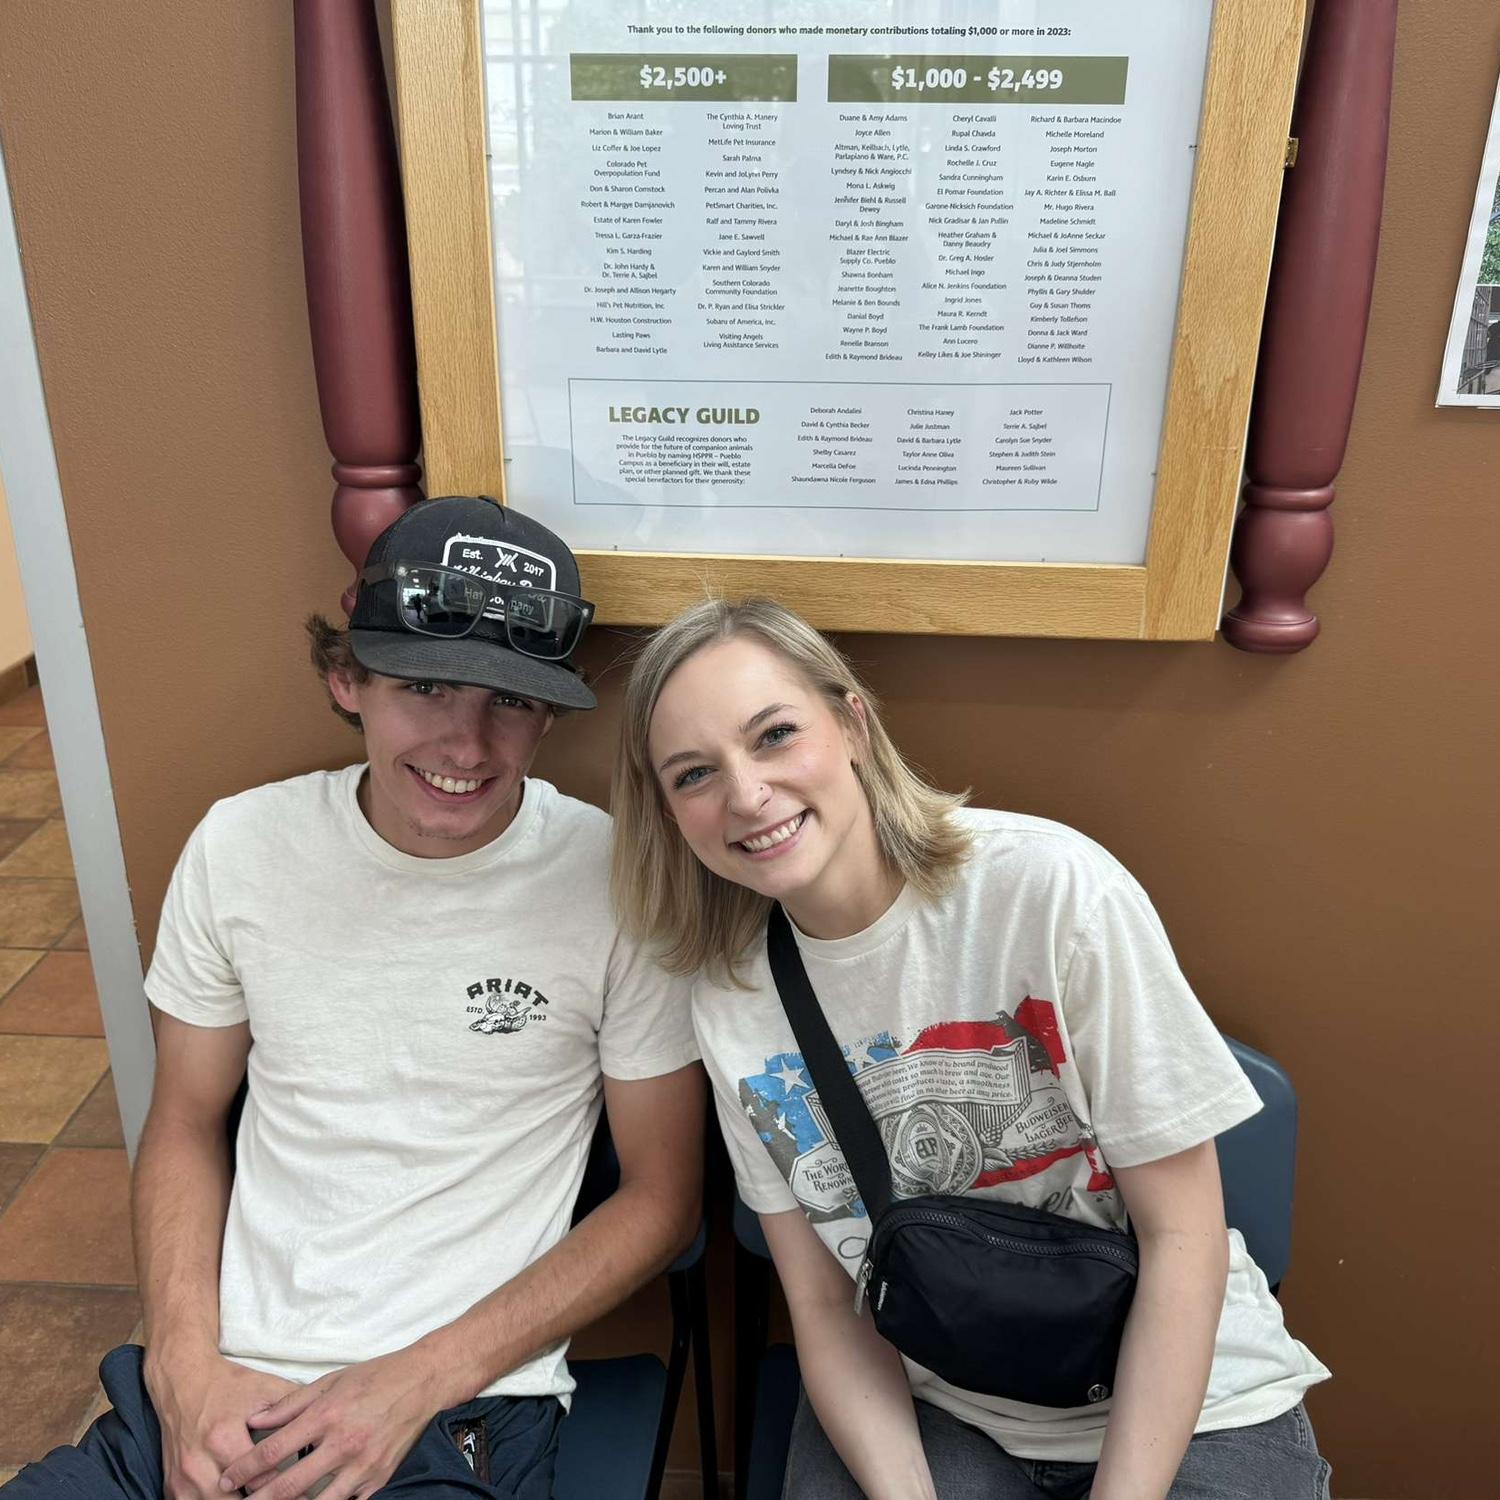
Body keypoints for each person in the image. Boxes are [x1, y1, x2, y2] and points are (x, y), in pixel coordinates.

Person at [6, 496, 703, 1500]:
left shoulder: (616, 881)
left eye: (509, 701)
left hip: (455, 1406)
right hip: (222, 1384)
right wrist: (183, 1370)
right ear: (348, 679)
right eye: (424, 686)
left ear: (549, 711)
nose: (466, 746)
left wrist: (414, 1382)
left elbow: (661, 1198)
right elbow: (185, 1121)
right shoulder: (241, 848)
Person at [610, 597, 1331, 1500]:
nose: (747, 794)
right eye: (694, 774)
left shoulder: (1052, 892)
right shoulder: (731, 1000)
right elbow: (828, 1305)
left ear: (853, 725)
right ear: (670, 813)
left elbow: (1183, 1240)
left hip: (1192, 1405)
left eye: (775, 735)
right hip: (942, 1403)